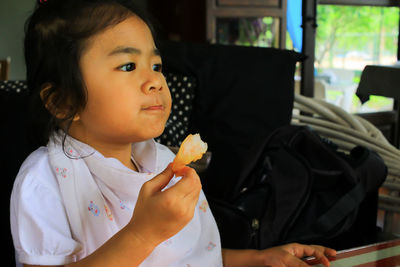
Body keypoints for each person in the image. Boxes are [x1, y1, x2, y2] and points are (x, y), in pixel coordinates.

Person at [10, 0, 337, 266]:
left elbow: (189, 257)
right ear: (63, 102)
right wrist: (142, 234)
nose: (156, 81)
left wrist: (258, 258)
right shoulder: (46, 181)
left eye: (156, 65)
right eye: (128, 66)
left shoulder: (165, 161)